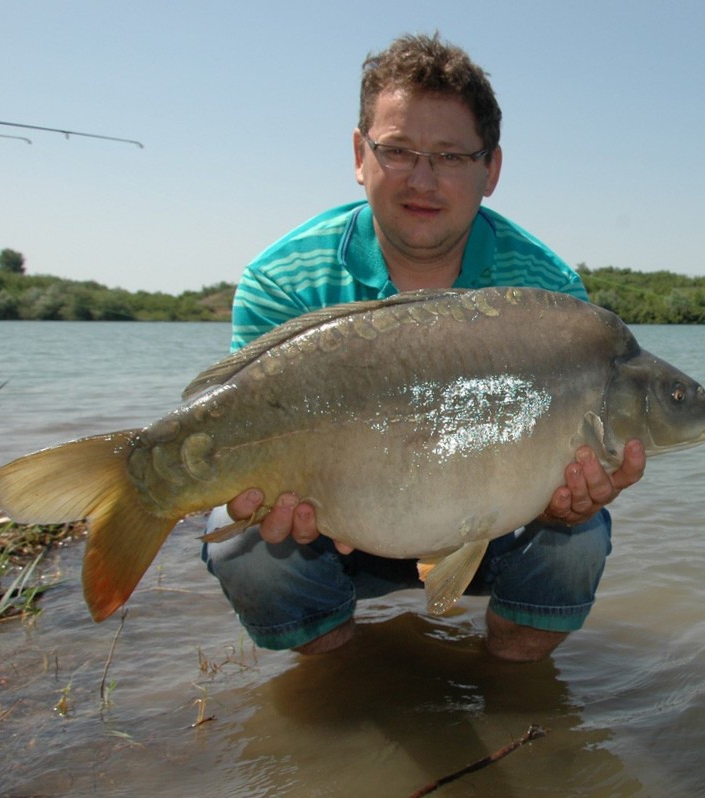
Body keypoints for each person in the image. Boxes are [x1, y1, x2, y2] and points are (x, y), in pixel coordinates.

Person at [202, 33, 646, 662]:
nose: (422, 178)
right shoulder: (282, 279)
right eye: (398, 150)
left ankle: (510, 687)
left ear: (490, 169)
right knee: (241, 544)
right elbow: (240, 425)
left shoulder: (550, 295)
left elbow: (567, 467)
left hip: (494, 518)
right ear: (360, 155)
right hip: (336, 520)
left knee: (577, 537)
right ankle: (350, 686)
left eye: (451, 156)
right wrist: (271, 495)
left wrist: (566, 503)